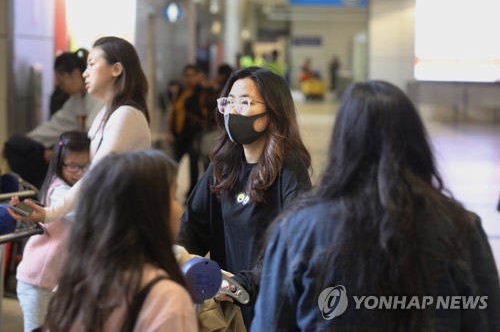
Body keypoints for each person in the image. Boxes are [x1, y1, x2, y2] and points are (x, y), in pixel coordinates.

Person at [251, 80, 500, 331]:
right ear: (416, 143)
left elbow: (270, 325)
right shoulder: (461, 227)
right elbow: (488, 321)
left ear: (342, 143)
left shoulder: (296, 232)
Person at [177, 66, 312, 329]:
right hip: (228, 309)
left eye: (245, 102)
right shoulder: (222, 166)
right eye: (229, 102)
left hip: (269, 308)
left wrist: (244, 283)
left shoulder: (289, 168)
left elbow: (292, 244)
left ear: (273, 111)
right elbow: (191, 226)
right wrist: (177, 261)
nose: (233, 110)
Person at [41, 149, 197, 332]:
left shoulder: (72, 286)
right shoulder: (166, 299)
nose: (180, 208)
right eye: (173, 197)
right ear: (148, 213)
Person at [8, 36, 151, 224]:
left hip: (122, 227)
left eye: (92, 64)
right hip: (108, 220)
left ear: (116, 69)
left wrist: (50, 212)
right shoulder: (107, 113)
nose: (85, 73)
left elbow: (96, 174)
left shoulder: (126, 115)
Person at [16, 131, 90, 332]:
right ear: (59, 164)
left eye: (86, 166)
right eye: (73, 166)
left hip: (55, 281)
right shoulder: (60, 190)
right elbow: (83, 211)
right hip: (37, 281)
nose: (80, 173)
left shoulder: (75, 188)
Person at [3, 48, 103, 188]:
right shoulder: (77, 100)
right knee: (16, 144)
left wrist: (60, 153)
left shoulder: (99, 98)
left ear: (75, 74)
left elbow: (94, 138)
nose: (60, 87)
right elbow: (54, 126)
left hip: (92, 162)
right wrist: (25, 142)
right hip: (80, 158)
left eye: (62, 82)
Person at [167, 64, 207, 198]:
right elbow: (175, 111)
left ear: (197, 76)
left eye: (192, 75)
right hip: (179, 134)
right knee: (174, 163)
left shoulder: (201, 92)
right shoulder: (181, 91)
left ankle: (192, 194)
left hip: (194, 134)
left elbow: (199, 111)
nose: (189, 79)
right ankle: (170, 191)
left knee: (193, 165)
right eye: (187, 75)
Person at [200, 63, 234, 169]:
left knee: (212, 161)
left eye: (217, 74)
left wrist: (209, 88)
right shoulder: (231, 88)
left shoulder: (220, 91)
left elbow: (208, 103)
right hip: (222, 129)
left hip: (216, 129)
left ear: (222, 75)